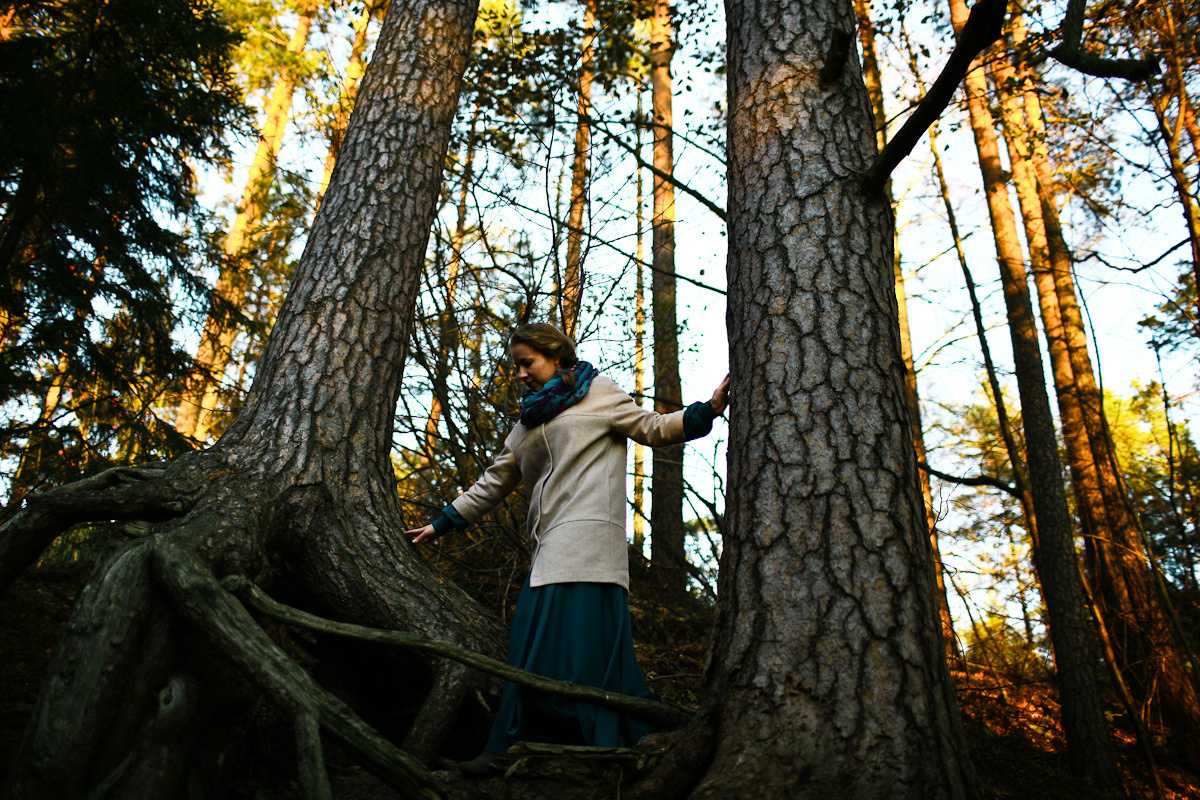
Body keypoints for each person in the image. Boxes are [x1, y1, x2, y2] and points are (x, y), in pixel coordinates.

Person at [404, 322, 728, 774]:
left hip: (591, 537)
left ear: (556, 356)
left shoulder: (599, 391)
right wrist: (440, 524)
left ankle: (559, 748)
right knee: (534, 644)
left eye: (526, 363)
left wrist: (707, 410)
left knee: (561, 644)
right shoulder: (527, 421)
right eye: (515, 365)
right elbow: (494, 481)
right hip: (548, 543)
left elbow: (654, 428)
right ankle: (525, 746)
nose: (519, 373)